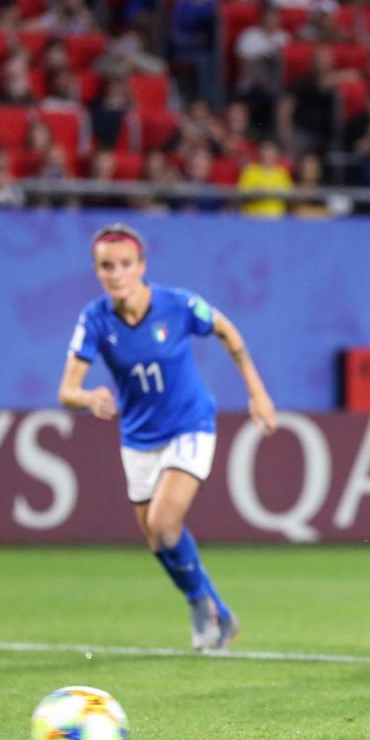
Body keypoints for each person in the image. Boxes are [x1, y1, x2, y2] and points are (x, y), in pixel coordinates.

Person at [58, 224, 276, 651]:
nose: (116, 274)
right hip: (139, 437)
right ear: (97, 271)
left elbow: (227, 330)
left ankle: (200, 607)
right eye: (106, 266)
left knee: (163, 522)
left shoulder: (178, 305)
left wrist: (257, 391)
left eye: (125, 264)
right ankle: (217, 612)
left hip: (189, 424)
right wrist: (87, 398)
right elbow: (66, 391)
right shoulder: (95, 319)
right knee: (157, 541)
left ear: (142, 266)